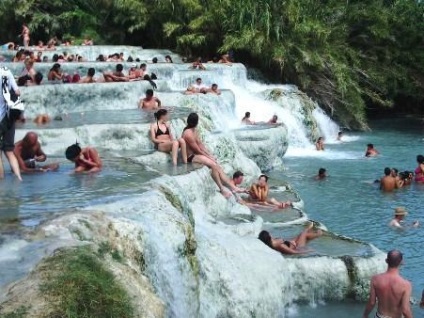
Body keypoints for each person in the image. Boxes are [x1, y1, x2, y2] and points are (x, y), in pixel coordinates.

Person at [182, 112, 241, 198]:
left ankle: (232, 187)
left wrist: (209, 154)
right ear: (196, 122)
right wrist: (209, 157)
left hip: (196, 154)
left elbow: (200, 144)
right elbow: (197, 150)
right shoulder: (188, 133)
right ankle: (222, 189)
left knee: (216, 165)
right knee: (213, 164)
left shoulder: (194, 130)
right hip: (190, 157)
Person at [362, 250, 412, 318]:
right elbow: (405, 310)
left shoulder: (375, 279)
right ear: (402, 262)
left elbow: (372, 302)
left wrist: (365, 315)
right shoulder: (406, 285)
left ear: (386, 261)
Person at [0, 67, 22, 181]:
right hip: (9, 117)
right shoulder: (7, 71)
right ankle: (19, 179)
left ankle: (2, 182)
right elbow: (18, 92)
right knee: (9, 151)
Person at [258, 223, 322, 255]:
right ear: (268, 236)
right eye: (269, 234)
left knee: (306, 236)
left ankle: (314, 232)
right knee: (304, 234)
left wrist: (291, 242)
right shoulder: (279, 245)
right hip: (298, 247)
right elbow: (294, 252)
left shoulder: (270, 244)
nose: (271, 234)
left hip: (292, 243)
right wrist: (309, 251)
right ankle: (319, 232)